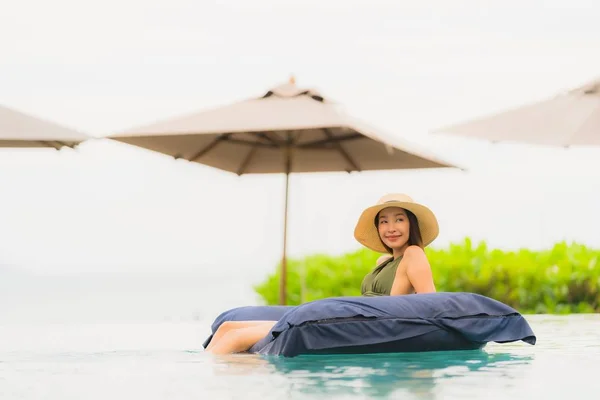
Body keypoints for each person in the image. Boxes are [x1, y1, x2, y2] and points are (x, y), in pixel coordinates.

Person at [205, 193, 439, 354]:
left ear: (411, 224)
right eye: (384, 221)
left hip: (367, 325)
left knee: (236, 339)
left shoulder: (414, 254)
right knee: (227, 329)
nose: (391, 228)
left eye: (399, 219)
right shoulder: (383, 261)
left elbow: (433, 305)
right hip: (352, 314)